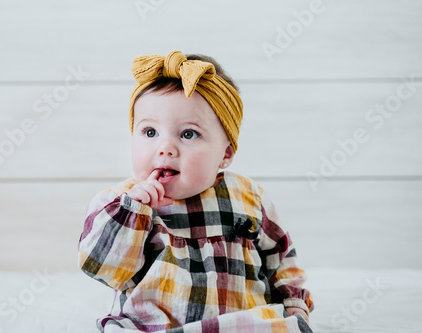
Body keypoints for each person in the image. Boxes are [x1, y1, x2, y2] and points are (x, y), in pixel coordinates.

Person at [78, 50, 314, 332]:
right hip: (154, 326)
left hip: (241, 324)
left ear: (225, 154)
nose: (164, 148)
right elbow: (101, 268)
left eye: (188, 134)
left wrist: (293, 304)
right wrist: (134, 212)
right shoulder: (120, 204)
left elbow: (281, 258)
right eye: (149, 132)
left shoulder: (249, 196)